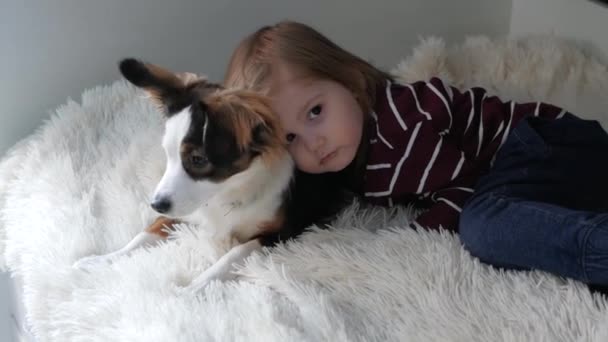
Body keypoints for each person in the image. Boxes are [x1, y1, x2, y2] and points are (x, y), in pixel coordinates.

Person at [223, 20, 608, 286]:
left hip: (544, 146)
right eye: (290, 138)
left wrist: (411, 236)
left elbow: (463, 189)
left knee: (483, 228)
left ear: (352, 81)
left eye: (316, 112)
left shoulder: (401, 133)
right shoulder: (351, 144)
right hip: (545, 167)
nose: (313, 142)